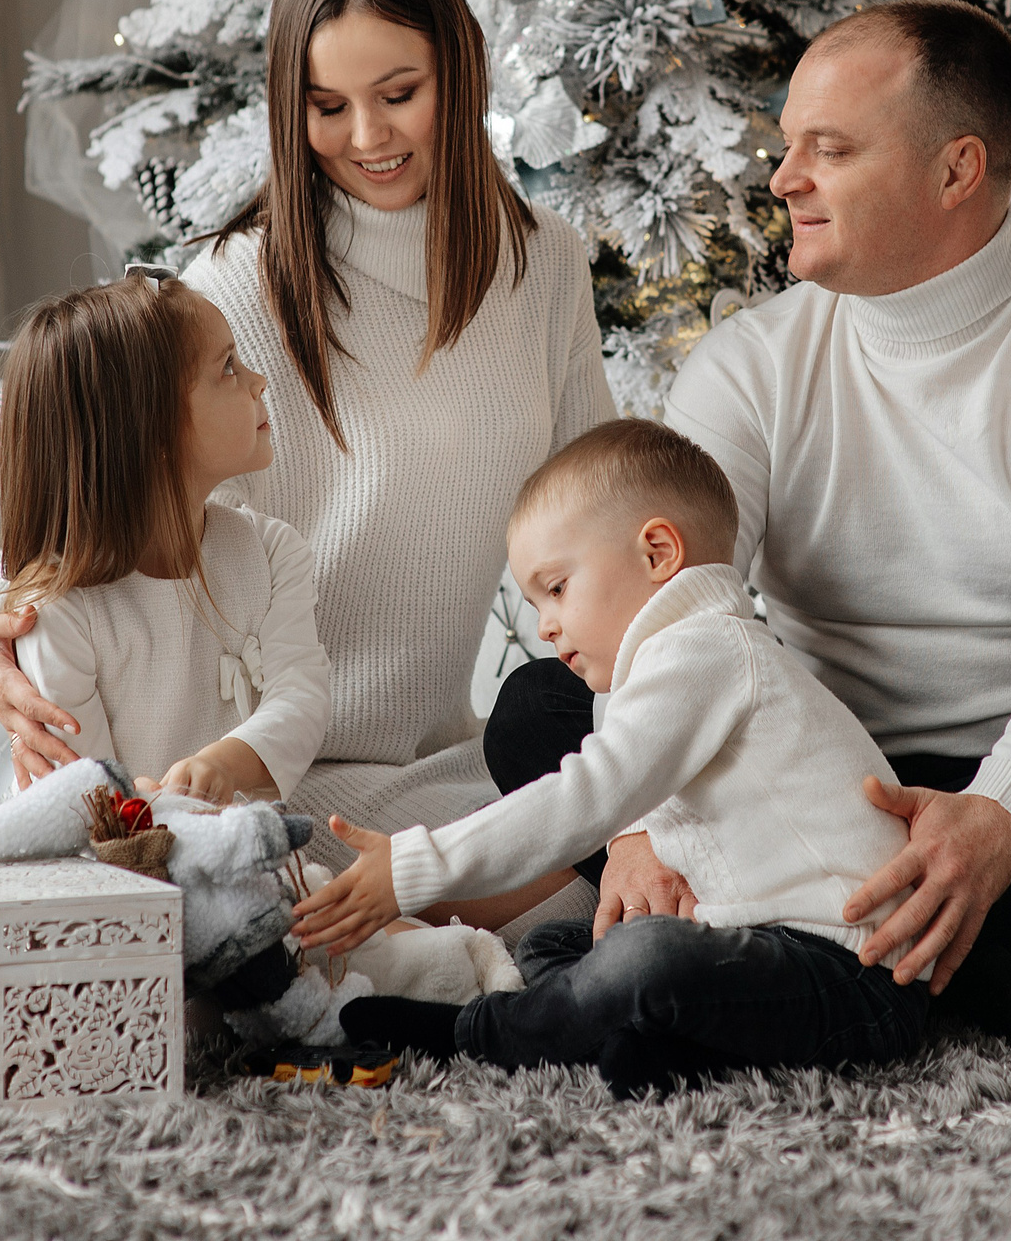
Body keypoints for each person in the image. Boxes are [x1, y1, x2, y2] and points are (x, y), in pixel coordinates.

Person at [483, 0, 1011, 1016]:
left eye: (830, 149)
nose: (783, 177)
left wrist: (993, 819)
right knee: (537, 710)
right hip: (815, 789)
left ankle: (830, 960)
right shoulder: (750, 366)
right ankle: (945, 973)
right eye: (785, 144)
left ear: (956, 169)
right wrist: (634, 828)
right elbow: (662, 608)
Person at [0, 0, 613, 924]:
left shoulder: (543, 264)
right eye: (326, 106)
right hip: (256, 780)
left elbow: (606, 524)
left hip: (440, 764)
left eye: (399, 93)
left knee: (666, 845)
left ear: (460, 71)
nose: (366, 136)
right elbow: (94, 533)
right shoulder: (231, 295)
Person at [294, 420, 948, 1097]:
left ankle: (485, 1030)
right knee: (554, 946)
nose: (545, 624)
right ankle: (641, 1044)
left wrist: (411, 868)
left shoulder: (708, 652)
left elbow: (586, 794)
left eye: (556, 587)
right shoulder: (677, 665)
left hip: (853, 980)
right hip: (753, 949)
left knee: (646, 955)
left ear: (658, 552)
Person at [0, 270, 333, 807]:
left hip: (238, 850)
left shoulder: (272, 554)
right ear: (150, 430)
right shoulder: (59, 614)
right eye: (228, 367)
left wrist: (225, 764)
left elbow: (301, 698)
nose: (259, 381)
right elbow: (86, 797)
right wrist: (163, 806)